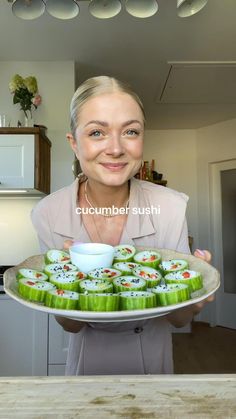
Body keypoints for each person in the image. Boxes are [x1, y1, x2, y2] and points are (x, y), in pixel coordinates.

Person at [31, 75, 213, 375]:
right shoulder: (49, 212)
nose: (115, 149)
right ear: (74, 143)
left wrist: (195, 299)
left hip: (152, 362)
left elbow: (178, 319)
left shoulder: (170, 206)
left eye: (130, 131)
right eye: (97, 133)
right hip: (86, 362)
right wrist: (72, 277)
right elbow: (70, 325)